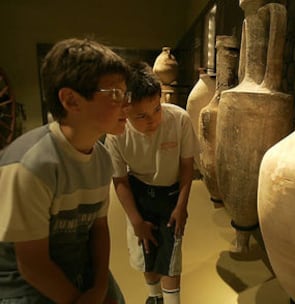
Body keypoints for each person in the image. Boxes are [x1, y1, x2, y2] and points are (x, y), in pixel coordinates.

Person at [0, 37, 131, 303]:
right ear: (71, 100)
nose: (126, 105)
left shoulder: (102, 157)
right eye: (115, 94)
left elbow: (98, 227)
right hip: (23, 284)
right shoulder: (31, 165)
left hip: (78, 267)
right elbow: (32, 265)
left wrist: (100, 286)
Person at [105, 62, 198, 304]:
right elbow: (120, 180)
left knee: (171, 253)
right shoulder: (117, 134)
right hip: (138, 193)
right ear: (125, 110)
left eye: (157, 109)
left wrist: (182, 205)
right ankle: (154, 297)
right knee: (145, 248)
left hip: (171, 193)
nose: (153, 120)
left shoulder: (179, 120)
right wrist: (136, 220)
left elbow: (187, 167)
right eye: (142, 116)